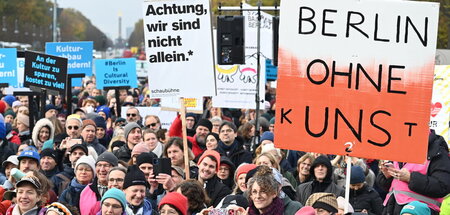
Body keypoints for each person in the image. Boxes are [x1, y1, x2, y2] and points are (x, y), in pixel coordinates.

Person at [376, 130, 450, 215]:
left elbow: (442, 186)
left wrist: (410, 178)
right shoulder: (399, 147)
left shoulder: (437, 151)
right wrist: (387, 176)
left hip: (419, 211)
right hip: (391, 208)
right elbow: (386, 186)